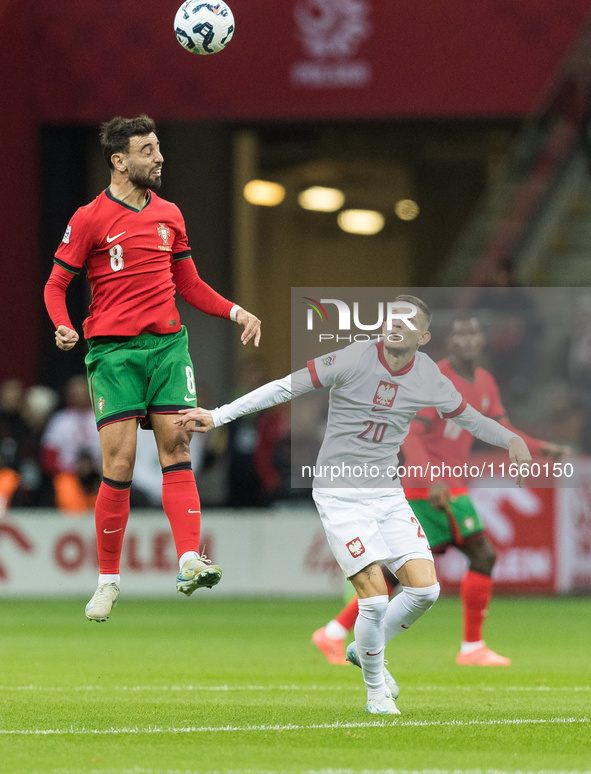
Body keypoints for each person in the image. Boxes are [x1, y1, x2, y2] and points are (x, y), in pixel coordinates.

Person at [175, 296, 531, 715]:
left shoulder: (429, 376)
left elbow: (469, 416)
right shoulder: (353, 358)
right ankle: (376, 690)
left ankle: (367, 648)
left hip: (387, 494)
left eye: (408, 321)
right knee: (375, 598)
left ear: (424, 336)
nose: (396, 324)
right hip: (340, 494)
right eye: (392, 316)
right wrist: (219, 416)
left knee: (426, 590)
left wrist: (511, 439)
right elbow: (285, 387)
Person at [43, 115, 261, 622]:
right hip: (114, 353)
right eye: (147, 150)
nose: (159, 157)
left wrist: (235, 311)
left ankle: (188, 557)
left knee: (177, 446)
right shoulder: (90, 217)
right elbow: (56, 285)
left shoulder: (170, 215)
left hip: (167, 347)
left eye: (159, 148)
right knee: (118, 465)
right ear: (120, 161)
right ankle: (108, 582)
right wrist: (62, 324)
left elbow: (189, 284)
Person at [311, 315, 569, 668]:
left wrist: (537, 447)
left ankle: (336, 632)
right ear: (450, 341)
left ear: (482, 339)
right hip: (427, 489)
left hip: (451, 488)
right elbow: (414, 433)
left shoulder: (485, 382)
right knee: (448, 563)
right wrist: (431, 477)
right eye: (460, 333)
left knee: (426, 568)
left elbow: (501, 425)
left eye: (474, 332)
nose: (467, 339)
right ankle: (466, 646)